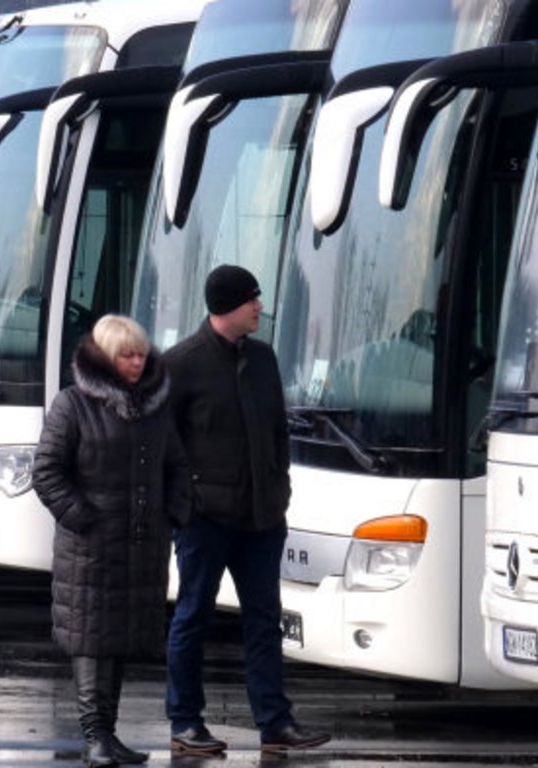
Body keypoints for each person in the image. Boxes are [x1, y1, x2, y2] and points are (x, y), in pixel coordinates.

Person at [161, 265, 330, 755]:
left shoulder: (262, 358)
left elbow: (278, 430)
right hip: (204, 520)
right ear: (226, 307)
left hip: (262, 517)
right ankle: (185, 722)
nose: (260, 306)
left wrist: (280, 490)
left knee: (264, 620)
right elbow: (164, 445)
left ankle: (275, 724)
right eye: (252, 299)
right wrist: (185, 503)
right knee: (193, 615)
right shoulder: (182, 364)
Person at [33, 315, 186, 767]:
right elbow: (46, 472)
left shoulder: (156, 409)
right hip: (91, 549)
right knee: (92, 641)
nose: (136, 363)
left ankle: (108, 734)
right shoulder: (72, 405)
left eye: (141, 354)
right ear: (105, 358)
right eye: (126, 355)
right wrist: (84, 519)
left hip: (141, 545)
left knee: (118, 641)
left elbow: (177, 466)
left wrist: (174, 514)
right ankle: (95, 736)